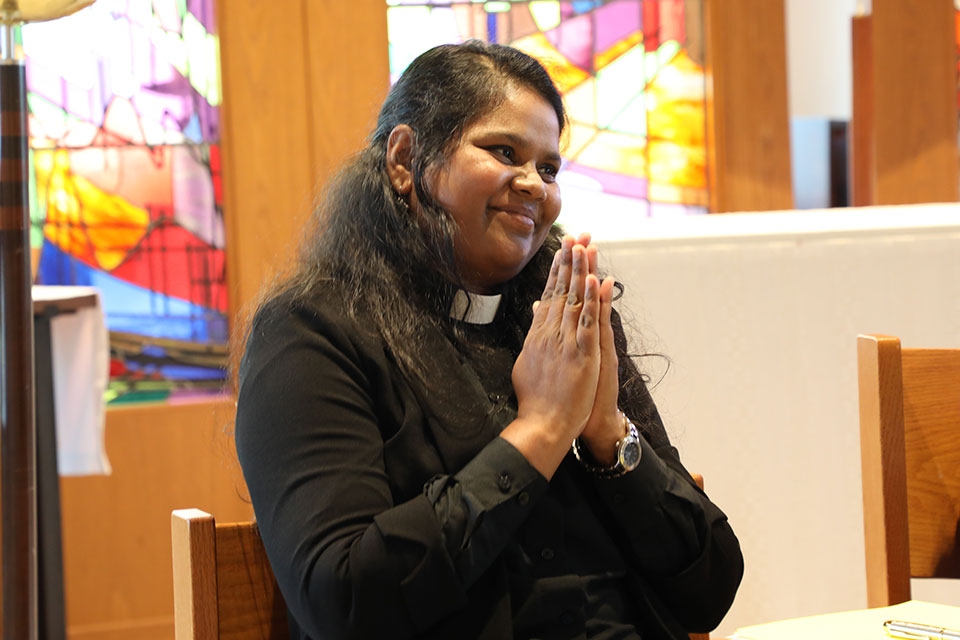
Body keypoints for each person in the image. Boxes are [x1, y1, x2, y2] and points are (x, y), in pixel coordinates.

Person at [234, 40, 743, 640]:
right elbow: (342, 601)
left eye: (549, 168)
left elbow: (709, 587)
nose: (534, 185)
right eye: (505, 152)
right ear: (405, 159)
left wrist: (606, 435)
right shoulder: (313, 333)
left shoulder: (562, 325)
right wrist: (541, 432)